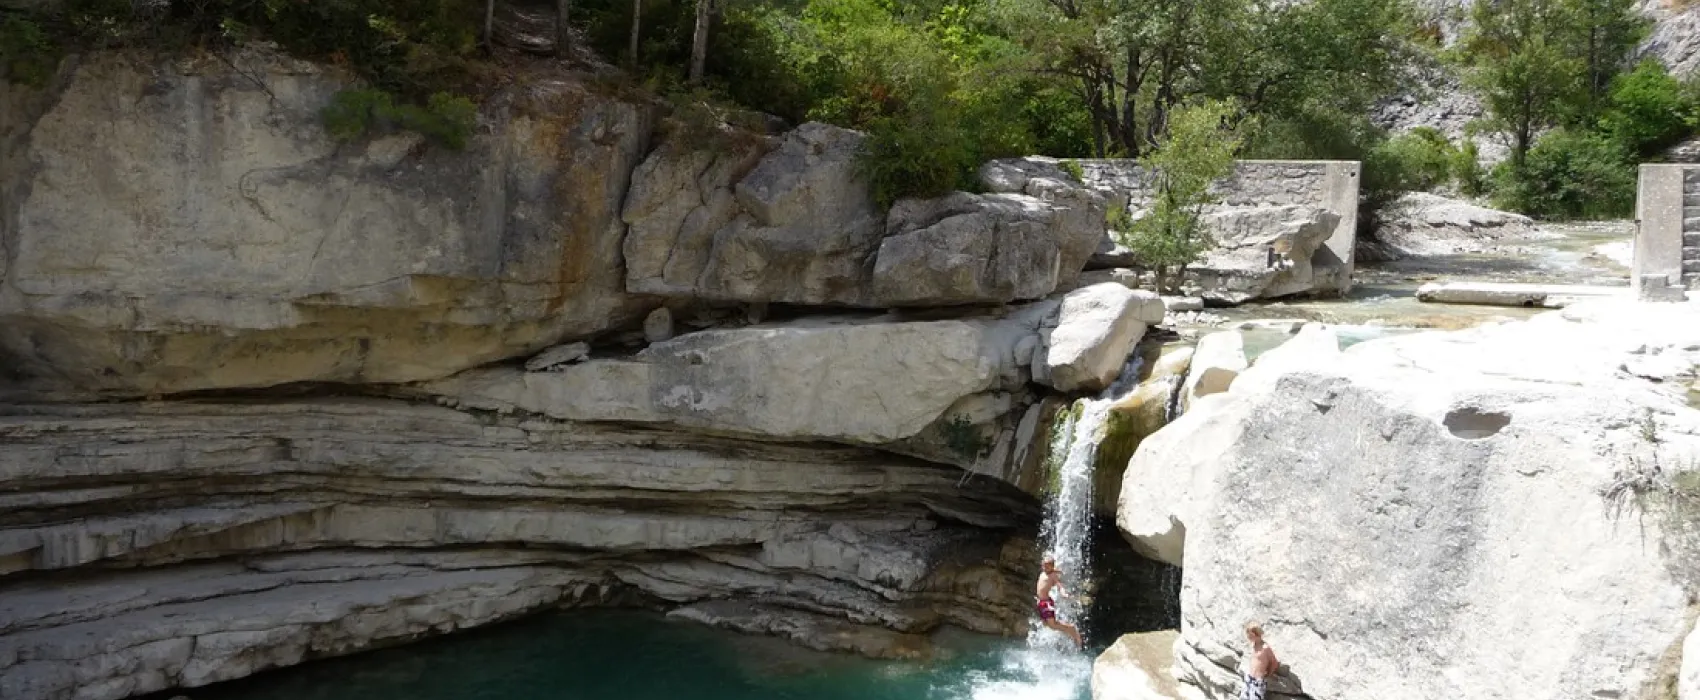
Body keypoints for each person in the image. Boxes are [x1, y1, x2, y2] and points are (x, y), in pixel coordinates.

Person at [1035, 556, 1084, 649]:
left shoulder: (1053, 576)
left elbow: (1059, 586)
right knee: (1046, 624)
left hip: (1046, 603)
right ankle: (1068, 633)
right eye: (1044, 565)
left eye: (1047, 566)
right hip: (1040, 602)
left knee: (1053, 625)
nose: (1044, 567)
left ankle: (1072, 629)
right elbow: (1052, 569)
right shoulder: (1044, 572)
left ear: (1051, 567)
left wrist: (1063, 593)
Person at [1241, 621, 1279, 700]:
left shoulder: (1265, 648)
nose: (1248, 636)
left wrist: (1269, 673)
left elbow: (1274, 662)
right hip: (1249, 678)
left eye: (1249, 634)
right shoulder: (1254, 644)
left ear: (1255, 634)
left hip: (1258, 681)